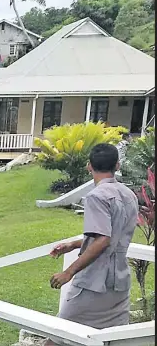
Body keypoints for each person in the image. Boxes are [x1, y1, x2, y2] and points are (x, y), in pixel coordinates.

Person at [45, 143, 138, 344]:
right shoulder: (129, 195)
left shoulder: (97, 196)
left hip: (95, 283)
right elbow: (114, 237)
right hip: (119, 283)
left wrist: (68, 272)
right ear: (118, 165)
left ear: (89, 166)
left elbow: (103, 240)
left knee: (59, 337)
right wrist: (74, 244)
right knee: (111, 340)